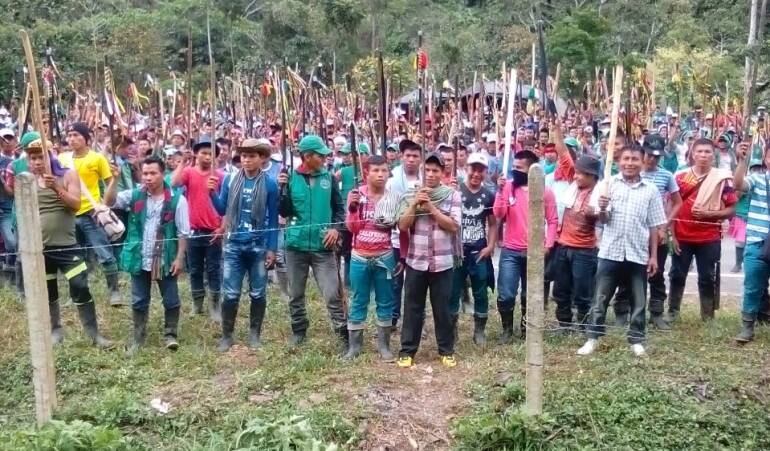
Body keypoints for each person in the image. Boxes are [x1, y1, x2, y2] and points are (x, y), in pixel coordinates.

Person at [577, 144, 667, 357]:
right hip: (610, 251)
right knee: (600, 298)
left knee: (638, 299)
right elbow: (602, 220)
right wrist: (602, 208)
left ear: (642, 161)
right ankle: (593, 338)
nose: (629, 163)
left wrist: (653, 256)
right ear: (618, 161)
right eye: (626, 159)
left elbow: (654, 225)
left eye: (634, 159)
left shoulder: (650, 190)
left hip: (637, 252)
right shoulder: (607, 185)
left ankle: (636, 339)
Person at [23, 135, 113, 348]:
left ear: (50, 155)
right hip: (40, 250)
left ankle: (94, 335)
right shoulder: (25, 182)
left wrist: (55, 187)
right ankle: (55, 330)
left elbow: (74, 205)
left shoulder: (67, 175)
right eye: (32, 158)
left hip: (67, 246)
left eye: (40, 157)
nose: (36, 162)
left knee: (80, 285)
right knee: (49, 290)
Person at [104, 155, 189, 353]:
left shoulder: (177, 200)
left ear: (163, 175)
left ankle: (170, 334)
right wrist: (114, 179)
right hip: (139, 255)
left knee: (171, 298)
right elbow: (108, 202)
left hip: (165, 256)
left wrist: (179, 257)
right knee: (139, 299)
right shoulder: (135, 195)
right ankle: (138, 337)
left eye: (153, 173)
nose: (148, 177)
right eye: (145, 173)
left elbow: (183, 232)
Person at [278, 135, 348, 351]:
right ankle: (299, 330)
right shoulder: (290, 178)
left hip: (322, 246)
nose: (325, 158)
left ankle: (343, 332)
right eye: (320, 155)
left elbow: (339, 208)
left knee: (332, 293)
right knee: (296, 294)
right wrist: (282, 190)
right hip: (295, 246)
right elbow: (284, 211)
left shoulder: (329, 178)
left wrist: (336, 229)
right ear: (307, 157)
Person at [210, 139, 279, 351]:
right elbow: (222, 210)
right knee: (230, 293)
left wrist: (272, 248)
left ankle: (254, 335)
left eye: (252, 156)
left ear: (262, 159)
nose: (247, 160)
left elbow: (274, 219)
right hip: (233, 246)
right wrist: (211, 192)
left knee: (258, 293)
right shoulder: (231, 180)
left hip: (258, 246)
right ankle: (227, 336)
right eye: (244, 156)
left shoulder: (269, 184)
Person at [396, 152, 461, 368]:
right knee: (412, 307)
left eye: (436, 171)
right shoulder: (410, 194)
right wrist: (415, 204)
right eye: (428, 170)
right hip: (416, 261)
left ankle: (446, 350)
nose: (431, 174)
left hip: (442, 263)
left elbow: (453, 226)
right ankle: (407, 351)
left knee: (442, 308)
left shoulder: (452, 196)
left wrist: (431, 208)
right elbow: (403, 226)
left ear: (443, 173)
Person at [613, 134, 683, 330]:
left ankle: (657, 313)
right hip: (632, 233)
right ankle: (622, 312)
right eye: (649, 155)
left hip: (656, 234)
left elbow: (677, 203)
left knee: (656, 273)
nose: (652, 159)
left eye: (657, 156)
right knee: (626, 273)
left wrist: (664, 225)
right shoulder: (631, 172)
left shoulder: (666, 176)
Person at [668, 138, 736, 322]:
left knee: (707, 277)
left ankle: (707, 316)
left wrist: (710, 214)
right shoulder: (680, 177)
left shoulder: (722, 180)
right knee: (677, 274)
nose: (703, 155)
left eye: (707, 152)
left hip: (709, 237)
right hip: (682, 235)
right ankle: (673, 312)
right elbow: (671, 206)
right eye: (699, 151)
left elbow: (732, 208)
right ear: (692, 154)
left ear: (713, 155)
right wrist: (671, 235)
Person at [493, 150, 558, 343]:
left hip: (534, 252)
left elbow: (553, 220)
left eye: (519, 168)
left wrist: (548, 244)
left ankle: (525, 328)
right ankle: (506, 329)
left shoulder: (545, 192)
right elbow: (498, 213)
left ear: (532, 169)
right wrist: (500, 191)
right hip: (511, 251)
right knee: (506, 294)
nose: (515, 171)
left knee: (529, 295)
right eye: (513, 167)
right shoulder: (508, 188)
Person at [343, 155, 396, 360]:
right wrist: (352, 209)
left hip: (384, 255)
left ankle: (384, 346)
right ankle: (355, 347)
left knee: (386, 300)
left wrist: (401, 258)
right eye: (376, 170)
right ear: (367, 173)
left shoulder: (393, 197)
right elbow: (352, 228)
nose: (380, 174)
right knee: (358, 300)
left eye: (384, 170)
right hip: (359, 257)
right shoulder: (356, 195)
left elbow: (399, 229)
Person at [65, 122, 124, 306]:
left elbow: (110, 186)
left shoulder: (97, 159)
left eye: (76, 135)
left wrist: (104, 203)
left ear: (86, 138)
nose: (72, 139)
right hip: (69, 214)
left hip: (91, 213)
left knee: (105, 254)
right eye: (69, 135)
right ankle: (76, 293)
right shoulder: (63, 159)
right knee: (74, 258)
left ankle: (114, 292)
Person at [550, 125, 600, 331]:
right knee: (561, 289)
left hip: (585, 250)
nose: (577, 176)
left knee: (582, 291)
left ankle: (583, 325)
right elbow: (562, 153)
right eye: (577, 173)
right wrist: (557, 132)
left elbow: (604, 217)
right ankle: (564, 324)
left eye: (583, 174)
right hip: (563, 246)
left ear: (593, 176)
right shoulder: (573, 183)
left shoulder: (601, 193)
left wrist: (596, 211)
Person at [171, 140, 225, 321]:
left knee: (214, 269)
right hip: (193, 230)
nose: (207, 157)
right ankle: (197, 304)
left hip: (213, 231)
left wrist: (222, 227)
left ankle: (215, 306)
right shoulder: (189, 173)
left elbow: (226, 205)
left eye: (211, 154)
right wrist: (182, 162)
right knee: (195, 269)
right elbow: (174, 182)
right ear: (196, 154)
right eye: (204, 153)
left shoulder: (220, 176)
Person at [450, 152, 497, 345]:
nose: (476, 174)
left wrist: (491, 246)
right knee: (452, 291)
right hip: (457, 252)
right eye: (473, 169)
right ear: (466, 169)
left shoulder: (488, 195)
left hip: (479, 251)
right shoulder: (455, 191)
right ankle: (452, 330)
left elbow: (493, 224)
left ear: (485, 172)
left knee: (480, 291)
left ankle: (479, 330)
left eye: (480, 170)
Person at [733, 140, 770, 343]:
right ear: (765, 158)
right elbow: (737, 185)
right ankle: (747, 326)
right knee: (753, 286)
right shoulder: (757, 179)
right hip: (757, 242)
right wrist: (741, 161)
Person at [386, 139, 422, 326]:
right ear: (401, 157)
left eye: (415, 156)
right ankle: (393, 318)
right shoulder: (391, 181)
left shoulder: (426, 181)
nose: (411, 160)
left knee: (416, 284)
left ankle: (415, 321)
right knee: (395, 281)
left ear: (420, 159)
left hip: (419, 241)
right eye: (407, 156)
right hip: (396, 241)